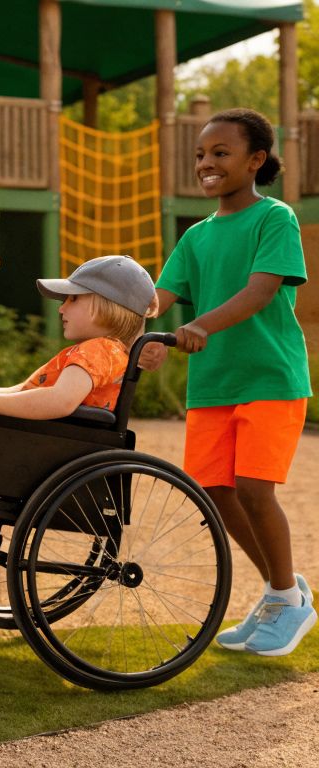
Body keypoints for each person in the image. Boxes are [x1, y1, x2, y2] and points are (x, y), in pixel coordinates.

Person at [153, 107, 313, 656]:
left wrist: (199, 324)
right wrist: (114, 315)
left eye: (220, 153)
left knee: (252, 488)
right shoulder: (196, 236)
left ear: (256, 160)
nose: (206, 164)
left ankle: (288, 599)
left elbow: (261, 290)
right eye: (201, 155)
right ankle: (278, 594)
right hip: (213, 386)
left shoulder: (275, 218)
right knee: (217, 494)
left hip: (269, 378)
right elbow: (157, 299)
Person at [0, 255, 157, 419]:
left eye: (73, 299)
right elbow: (23, 390)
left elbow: (60, 401)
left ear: (105, 307)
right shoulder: (103, 351)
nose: (61, 309)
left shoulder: (100, 350)